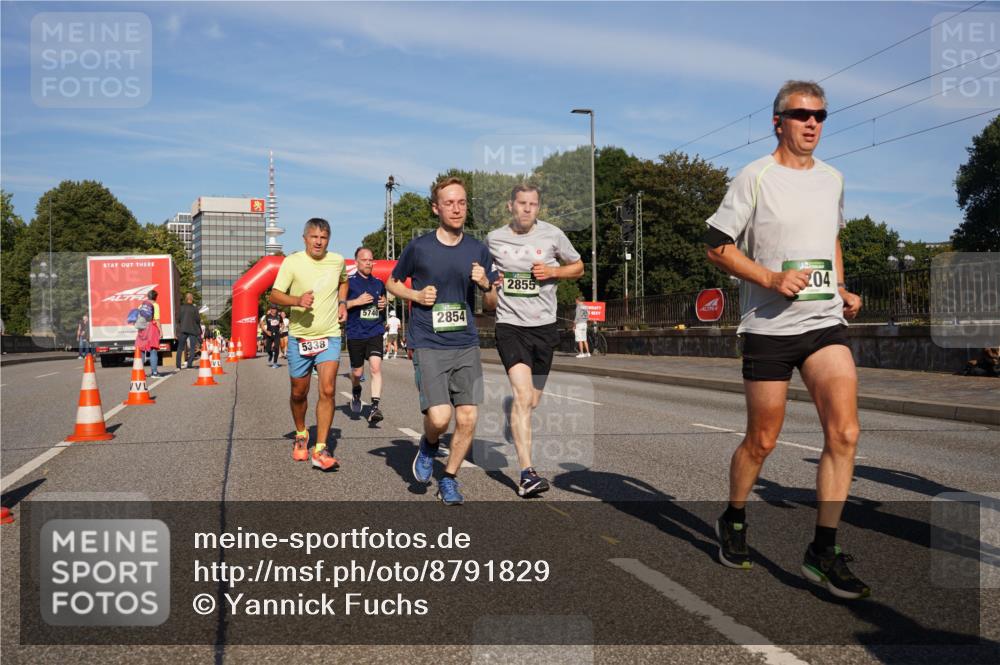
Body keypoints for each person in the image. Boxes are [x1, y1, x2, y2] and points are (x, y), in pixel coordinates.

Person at [704, 80, 868, 600]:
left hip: (823, 324)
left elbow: (830, 239)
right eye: (801, 115)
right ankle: (733, 518)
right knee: (763, 440)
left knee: (844, 433)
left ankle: (823, 550)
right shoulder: (755, 177)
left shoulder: (833, 179)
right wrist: (771, 279)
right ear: (778, 122)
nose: (812, 123)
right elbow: (716, 246)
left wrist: (839, 287)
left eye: (820, 115)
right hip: (769, 327)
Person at [387, 176, 497, 505]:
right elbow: (392, 283)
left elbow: (492, 304)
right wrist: (416, 295)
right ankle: (429, 444)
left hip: (465, 342)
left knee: (468, 417)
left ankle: (449, 478)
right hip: (428, 341)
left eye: (461, 202)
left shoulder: (478, 249)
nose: (456, 208)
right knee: (439, 418)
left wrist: (486, 285)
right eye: (449, 203)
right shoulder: (419, 247)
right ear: (436, 208)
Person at [487, 184, 583, 497]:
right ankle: (527, 474)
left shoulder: (553, 234)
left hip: (543, 327)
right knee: (523, 395)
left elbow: (578, 267)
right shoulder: (494, 239)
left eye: (533, 204)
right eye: (522, 203)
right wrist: (491, 285)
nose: (527, 209)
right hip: (510, 325)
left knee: (533, 401)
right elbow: (486, 286)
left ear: (538, 207)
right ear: (510, 206)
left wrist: (554, 272)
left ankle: (514, 413)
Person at [269, 218, 349, 471]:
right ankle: (302, 433)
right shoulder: (292, 262)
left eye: (323, 237)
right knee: (298, 392)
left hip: (329, 335)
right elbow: (274, 294)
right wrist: (297, 300)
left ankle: (321, 448)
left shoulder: (337, 260)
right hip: (300, 337)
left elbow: (344, 281)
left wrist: (342, 303)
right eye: (314, 236)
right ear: (304, 238)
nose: (318, 241)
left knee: (328, 389)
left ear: (328, 240)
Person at [345, 247, 387, 424]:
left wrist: (383, 304)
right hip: (355, 332)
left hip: (375, 330)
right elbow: (338, 305)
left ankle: (375, 407)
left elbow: (382, 303)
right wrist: (357, 301)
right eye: (364, 260)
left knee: (376, 368)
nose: (368, 263)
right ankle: (356, 391)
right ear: (356, 262)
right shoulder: (348, 283)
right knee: (357, 372)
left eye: (371, 260)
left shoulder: (378, 283)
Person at [135, 289, 161, 377]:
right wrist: (160, 331)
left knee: (141, 350)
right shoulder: (155, 305)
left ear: (148, 296)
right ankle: (154, 372)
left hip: (142, 329)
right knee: (153, 350)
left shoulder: (141, 305)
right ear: (156, 297)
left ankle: (140, 372)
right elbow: (157, 319)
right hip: (151, 328)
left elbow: (138, 317)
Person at [176, 293, 201, 369]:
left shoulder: (181, 308)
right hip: (192, 330)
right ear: (192, 299)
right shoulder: (194, 308)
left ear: (186, 299)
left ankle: (178, 365)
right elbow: (198, 320)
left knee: (180, 348)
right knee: (192, 348)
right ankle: (189, 364)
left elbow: (178, 319)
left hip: (183, 329)